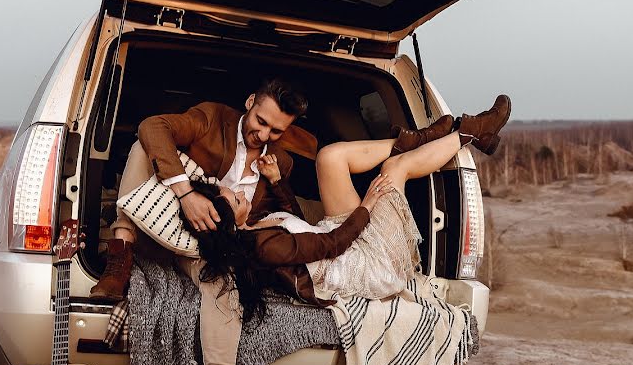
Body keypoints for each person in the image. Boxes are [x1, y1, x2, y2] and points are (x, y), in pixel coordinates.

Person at [180, 95, 511, 316]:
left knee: (329, 157)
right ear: (231, 222)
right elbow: (329, 244)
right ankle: (472, 132)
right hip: (367, 261)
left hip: (343, 240)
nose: (241, 193)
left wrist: (278, 181)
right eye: (236, 198)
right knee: (395, 170)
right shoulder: (263, 245)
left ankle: (422, 138)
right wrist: (365, 206)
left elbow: (299, 225)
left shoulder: (256, 229)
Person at [90, 78, 309, 365]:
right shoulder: (212, 118)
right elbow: (152, 126)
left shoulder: (280, 161)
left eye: (275, 131)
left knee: (224, 285)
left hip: (214, 246)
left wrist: (275, 184)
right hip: (167, 219)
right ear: (250, 102)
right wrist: (187, 192)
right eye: (261, 122)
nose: (263, 135)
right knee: (142, 146)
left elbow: (295, 221)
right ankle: (119, 255)